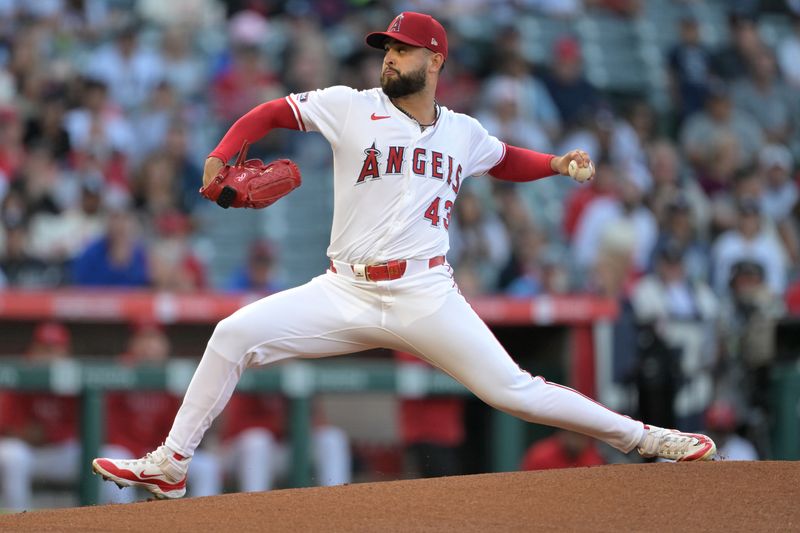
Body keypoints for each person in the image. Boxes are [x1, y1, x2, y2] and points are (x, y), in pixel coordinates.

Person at [92, 11, 716, 500]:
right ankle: (171, 465)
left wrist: (555, 164)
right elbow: (271, 112)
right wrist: (223, 152)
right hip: (343, 290)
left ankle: (648, 438)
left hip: (425, 294)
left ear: (434, 59)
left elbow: (506, 159)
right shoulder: (350, 105)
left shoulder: (463, 133)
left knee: (514, 393)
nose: (389, 57)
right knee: (232, 334)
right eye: (386, 49)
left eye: (401, 49)